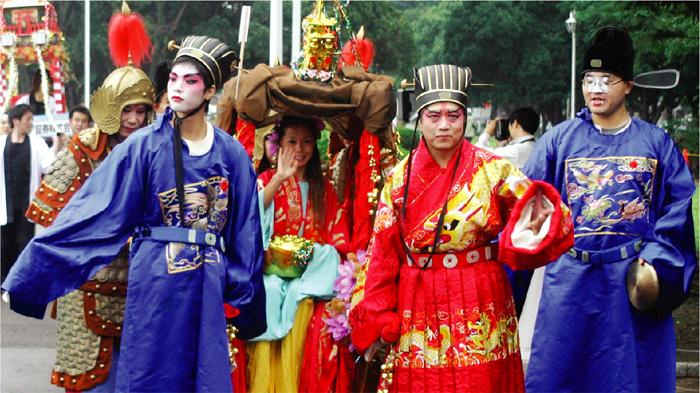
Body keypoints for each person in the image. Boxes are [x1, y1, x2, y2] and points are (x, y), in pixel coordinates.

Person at [1, 35, 266, 392]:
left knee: (205, 377)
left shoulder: (231, 154)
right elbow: (93, 213)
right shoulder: (143, 146)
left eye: (191, 81)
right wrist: (31, 273)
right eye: (173, 78)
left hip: (206, 285)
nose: (178, 88)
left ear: (209, 91)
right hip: (154, 281)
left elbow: (245, 233)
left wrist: (245, 300)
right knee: (149, 377)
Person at [348, 64, 574, 393]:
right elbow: (382, 252)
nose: (444, 125)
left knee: (482, 382)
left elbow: (541, 211)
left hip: (480, 294)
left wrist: (533, 223)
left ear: (465, 118)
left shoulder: (493, 169)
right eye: (434, 115)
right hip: (420, 297)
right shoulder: (399, 179)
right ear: (419, 119)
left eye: (453, 116)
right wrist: (378, 313)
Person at [522, 27, 697, 392]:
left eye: (607, 79)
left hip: (630, 280)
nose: (596, 89)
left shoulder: (656, 144)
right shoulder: (559, 140)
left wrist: (655, 263)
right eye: (589, 79)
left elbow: (679, 210)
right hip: (569, 281)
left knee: (631, 376)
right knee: (561, 374)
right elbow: (527, 205)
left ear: (628, 85)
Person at [24, 26, 155, 389]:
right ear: (111, 108)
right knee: (88, 381)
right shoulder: (84, 150)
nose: (133, 120)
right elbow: (48, 212)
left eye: (141, 111)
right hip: (86, 288)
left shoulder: (156, 152)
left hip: (141, 288)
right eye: (127, 110)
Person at [247, 115, 349, 393]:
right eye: (292, 141)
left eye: (306, 142)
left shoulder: (324, 188)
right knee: (269, 291)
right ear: (279, 145)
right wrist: (279, 178)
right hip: (272, 272)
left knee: (317, 271)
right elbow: (252, 222)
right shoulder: (266, 180)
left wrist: (318, 254)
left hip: (311, 276)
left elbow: (337, 235)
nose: (300, 149)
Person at [0, 104, 54, 280]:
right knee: (4, 247)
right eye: (28, 119)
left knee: (24, 245)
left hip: (26, 206)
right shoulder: (1, 143)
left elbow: (49, 166)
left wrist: (58, 146)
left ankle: (21, 283)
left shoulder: (37, 143)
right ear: (16, 121)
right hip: (5, 206)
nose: (31, 122)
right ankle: (4, 283)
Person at [474, 107, 539, 169]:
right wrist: (501, 146)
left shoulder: (517, 151)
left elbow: (478, 154)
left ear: (515, 123)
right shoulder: (533, 146)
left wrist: (487, 132)